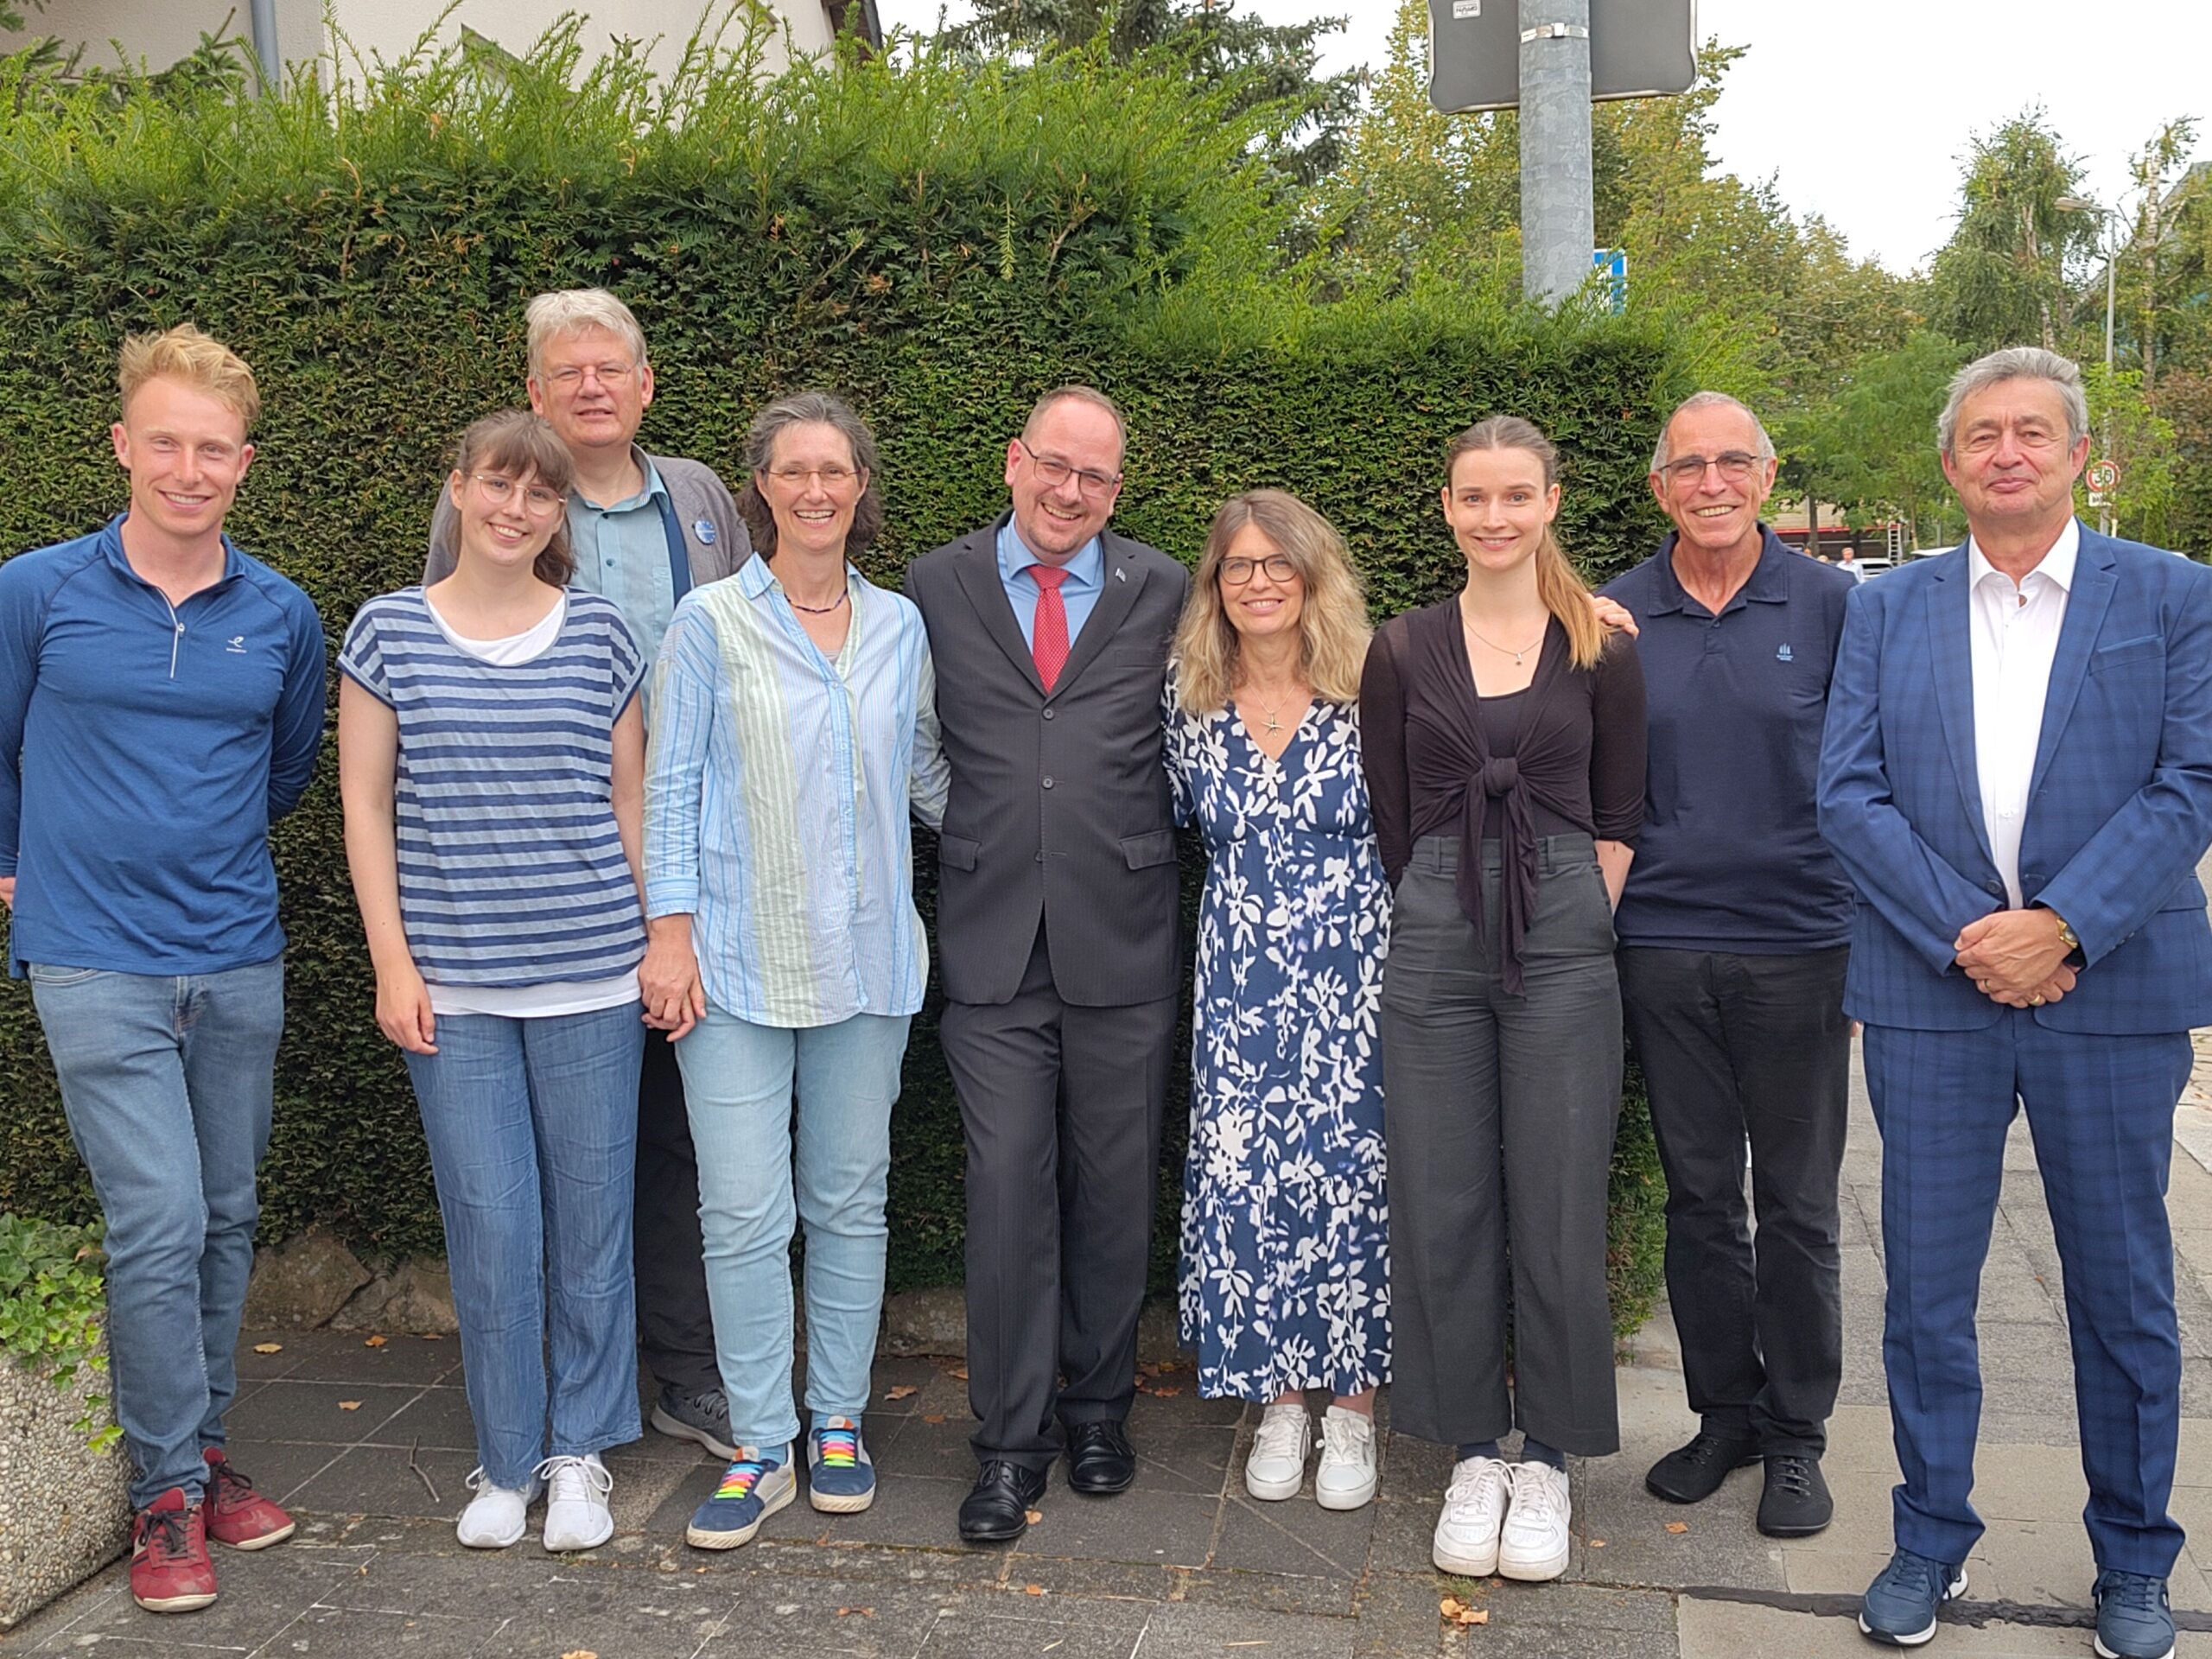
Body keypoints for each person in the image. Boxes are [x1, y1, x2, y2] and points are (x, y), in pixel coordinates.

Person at [1818, 346, 2212, 1659]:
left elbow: (2192, 783)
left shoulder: (2174, 597)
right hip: (1937, 997)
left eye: (2033, 433)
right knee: (1926, 1292)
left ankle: (2135, 1562)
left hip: (2112, 989)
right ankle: (1929, 1539)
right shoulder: (1888, 608)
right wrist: (1968, 937)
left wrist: (2064, 927)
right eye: (1982, 434)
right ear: (1948, 464)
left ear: (2078, 456)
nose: (2007, 453)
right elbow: (1850, 792)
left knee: (2122, 1289)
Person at [0, 326, 321, 1615]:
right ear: (124, 445)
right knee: (160, 1219)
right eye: (166, 443)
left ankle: (197, 1448)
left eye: (213, 449)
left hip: (237, 954)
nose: (189, 469)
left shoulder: (282, 612)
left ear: (243, 463)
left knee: (228, 1217)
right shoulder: (36, 590)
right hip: (90, 958)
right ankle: (164, 1499)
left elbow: (288, 767)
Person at [427, 289, 749, 1462]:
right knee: (560, 1145)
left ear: (647, 384)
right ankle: (562, 1391)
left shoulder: (707, 501)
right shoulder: (499, 501)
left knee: (681, 1124)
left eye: (612, 369)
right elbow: (438, 661)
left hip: (700, 852)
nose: (592, 389)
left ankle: (687, 1372)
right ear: (535, 393)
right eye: (569, 373)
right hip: (551, 875)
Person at [640, 392, 948, 1549]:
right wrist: (667, 933)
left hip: (867, 966)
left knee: (849, 1202)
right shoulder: (709, 622)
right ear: (760, 486)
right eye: (793, 470)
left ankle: (839, 1424)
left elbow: (926, 777)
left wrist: (1041, 825)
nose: (816, 488)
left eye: (836, 469)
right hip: (730, 963)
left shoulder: (901, 627)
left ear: (862, 488)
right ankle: (760, 1445)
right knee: (741, 1213)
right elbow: (670, 786)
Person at [341, 410, 649, 1554]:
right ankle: (506, 1460)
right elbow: (365, 806)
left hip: (591, 978)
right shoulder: (388, 634)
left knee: (591, 1227)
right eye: (499, 486)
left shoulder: (604, 635)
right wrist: (391, 960)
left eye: (541, 494)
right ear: (460, 487)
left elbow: (629, 803)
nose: (517, 509)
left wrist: (661, 940)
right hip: (453, 991)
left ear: (559, 512)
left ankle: (579, 1455)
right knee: (490, 1225)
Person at [1362, 416, 1645, 1585]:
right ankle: (1475, 1448)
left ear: (1551, 501)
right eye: (1474, 497)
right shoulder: (1401, 647)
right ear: (1446, 508)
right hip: (1433, 933)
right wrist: (1446, 900)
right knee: (1443, 1197)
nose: (1495, 516)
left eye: (1515, 496)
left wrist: (1574, 907)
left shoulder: (1603, 644)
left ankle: (1557, 1459)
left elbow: (1624, 808)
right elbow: (1391, 810)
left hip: (1568, 935)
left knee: (1562, 1195)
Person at [904, 386, 1190, 1545]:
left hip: (1123, 934)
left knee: (1117, 1190)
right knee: (1007, 1188)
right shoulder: (936, 585)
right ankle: (1009, 1445)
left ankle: (1100, 1411)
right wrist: (969, 824)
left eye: (1098, 478)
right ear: (1015, 461)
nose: (1072, 493)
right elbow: (908, 735)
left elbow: (1229, 704)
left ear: (1118, 490)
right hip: (989, 939)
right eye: (1055, 468)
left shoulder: (1164, 588)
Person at [1599, 393, 1855, 1540]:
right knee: (1703, 1201)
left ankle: (1799, 1437)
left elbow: (1875, 775)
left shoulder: (1837, 605)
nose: (1712, 481)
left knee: (1799, 1207)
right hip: (1661, 946)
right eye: (1688, 465)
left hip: (1802, 950)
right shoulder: (1613, 614)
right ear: (1661, 488)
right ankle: (1724, 1416)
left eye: (1733, 462)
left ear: (1765, 473)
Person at [1165, 490, 1390, 1511]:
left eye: (1276, 563)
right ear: (1215, 585)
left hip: (1358, 975)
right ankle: (1280, 1396)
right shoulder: (1187, 694)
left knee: (1353, 1181)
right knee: (1249, 1177)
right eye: (1237, 565)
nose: (1257, 581)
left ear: (1312, 573)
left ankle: (1352, 1409)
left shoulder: (1375, 684)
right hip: (1239, 977)